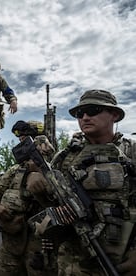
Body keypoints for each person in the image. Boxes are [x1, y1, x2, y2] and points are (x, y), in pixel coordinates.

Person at [28, 89, 136, 275]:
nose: (85, 117)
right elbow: (53, 206)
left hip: (122, 260)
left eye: (93, 110)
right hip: (72, 263)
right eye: (80, 113)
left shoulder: (131, 152)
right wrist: (37, 184)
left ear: (114, 115)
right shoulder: (65, 157)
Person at [0, 120, 57, 276]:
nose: (21, 140)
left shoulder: (54, 171)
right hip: (10, 244)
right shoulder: (15, 171)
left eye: (25, 137)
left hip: (40, 249)